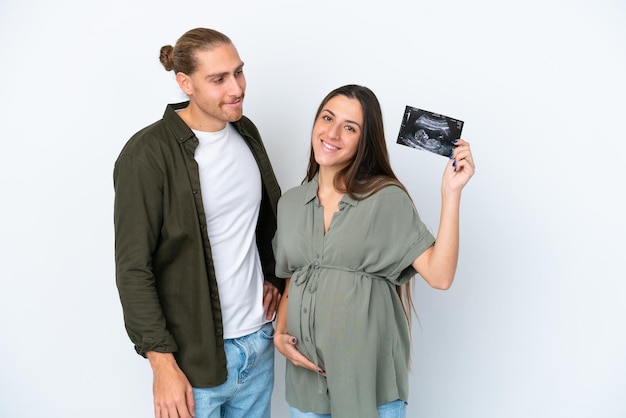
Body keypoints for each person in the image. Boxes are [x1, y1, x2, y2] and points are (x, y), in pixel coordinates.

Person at [272, 84, 475, 418]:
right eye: (327, 118)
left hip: (370, 385)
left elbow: (440, 277)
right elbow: (294, 277)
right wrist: (280, 333)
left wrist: (451, 193)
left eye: (349, 128)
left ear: (364, 142)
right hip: (306, 383)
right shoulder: (291, 203)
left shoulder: (386, 199)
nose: (332, 133)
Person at [113, 28, 283, 418]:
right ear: (185, 83)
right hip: (194, 361)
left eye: (239, 72)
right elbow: (133, 269)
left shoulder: (246, 132)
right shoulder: (147, 155)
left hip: (258, 343)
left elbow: (263, 221)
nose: (237, 88)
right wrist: (163, 366)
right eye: (219, 79)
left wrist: (273, 276)